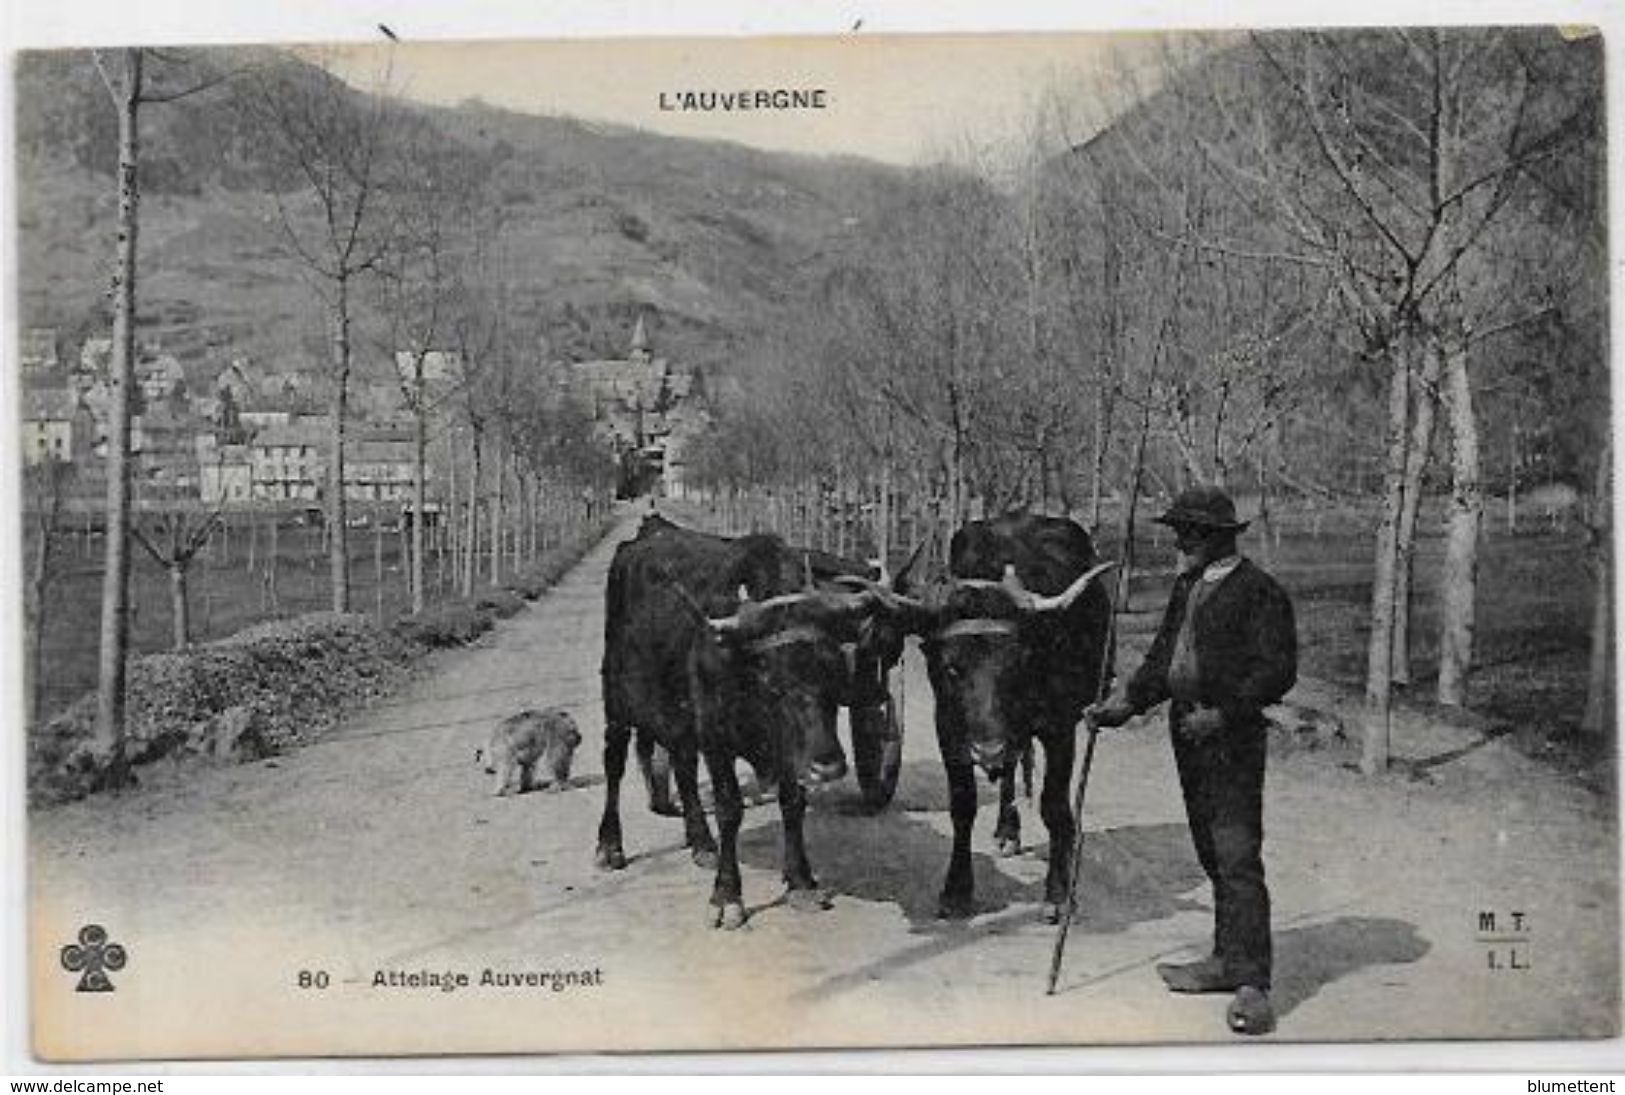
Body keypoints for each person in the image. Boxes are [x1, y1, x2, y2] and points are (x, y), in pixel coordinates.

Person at [1089, 485, 1297, 1036]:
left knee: (1236, 853)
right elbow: (1163, 660)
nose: (1177, 541)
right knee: (1210, 849)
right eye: (1178, 530)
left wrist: (1225, 713)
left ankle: (1254, 985)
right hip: (1187, 734)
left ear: (1211, 537)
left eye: (1186, 532)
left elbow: (1277, 671)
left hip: (1231, 739)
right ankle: (1227, 961)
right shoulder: (1188, 587)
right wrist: (1124, 704)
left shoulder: (1260, 592)